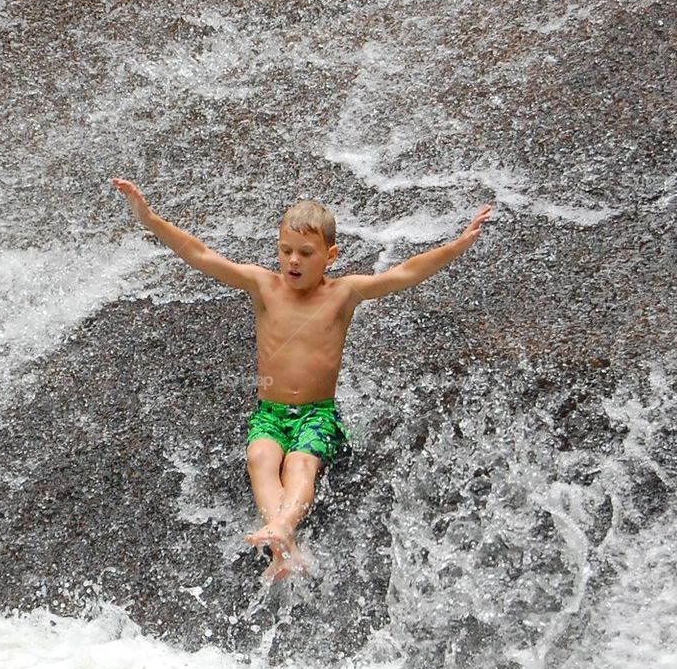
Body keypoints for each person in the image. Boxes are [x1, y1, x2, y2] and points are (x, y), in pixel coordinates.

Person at [112, 178, 492, 581]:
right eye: (285, 250)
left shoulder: (344, 293)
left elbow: (404, 274)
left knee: (299, 465)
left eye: (305, 253)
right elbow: (202, 255)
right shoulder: (263, 285)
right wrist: (149, 217)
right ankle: (283, 540)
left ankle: (283, 528)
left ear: (330, 255)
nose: (293, 260)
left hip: (317, 414)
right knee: (260, 457)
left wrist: (457, 245)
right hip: (269, 412)